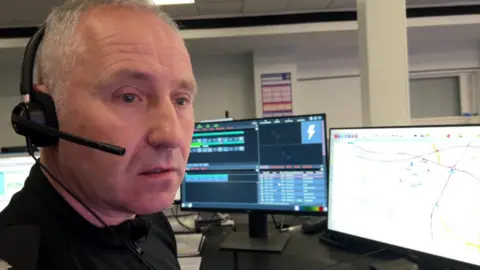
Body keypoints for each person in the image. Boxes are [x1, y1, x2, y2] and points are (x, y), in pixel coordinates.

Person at [0, 0, 197, 269]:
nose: (171, 135)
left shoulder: (151, 224)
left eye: (181, 100)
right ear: (46, 115)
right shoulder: (17, 256)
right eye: (129, 97)